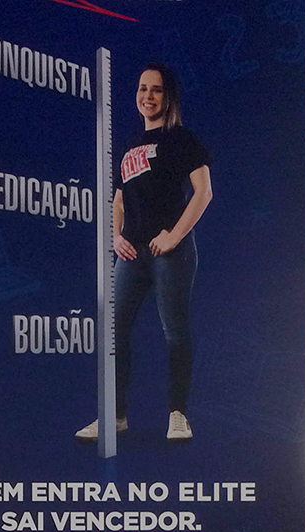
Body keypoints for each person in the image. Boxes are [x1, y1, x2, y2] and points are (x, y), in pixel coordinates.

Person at [77, 63, 212, 445]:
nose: (147, 96)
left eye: (156, 89)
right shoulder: (129, 146)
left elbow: (204, 192)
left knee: (174, 331)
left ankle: (178, 415)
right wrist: (114, 236)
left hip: (171, 252)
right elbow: (119, 200)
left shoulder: (182, 138)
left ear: (168, 97)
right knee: (114, 330)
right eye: (142, 88)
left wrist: (173, 236)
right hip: (132, 253)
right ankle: (115, 417)